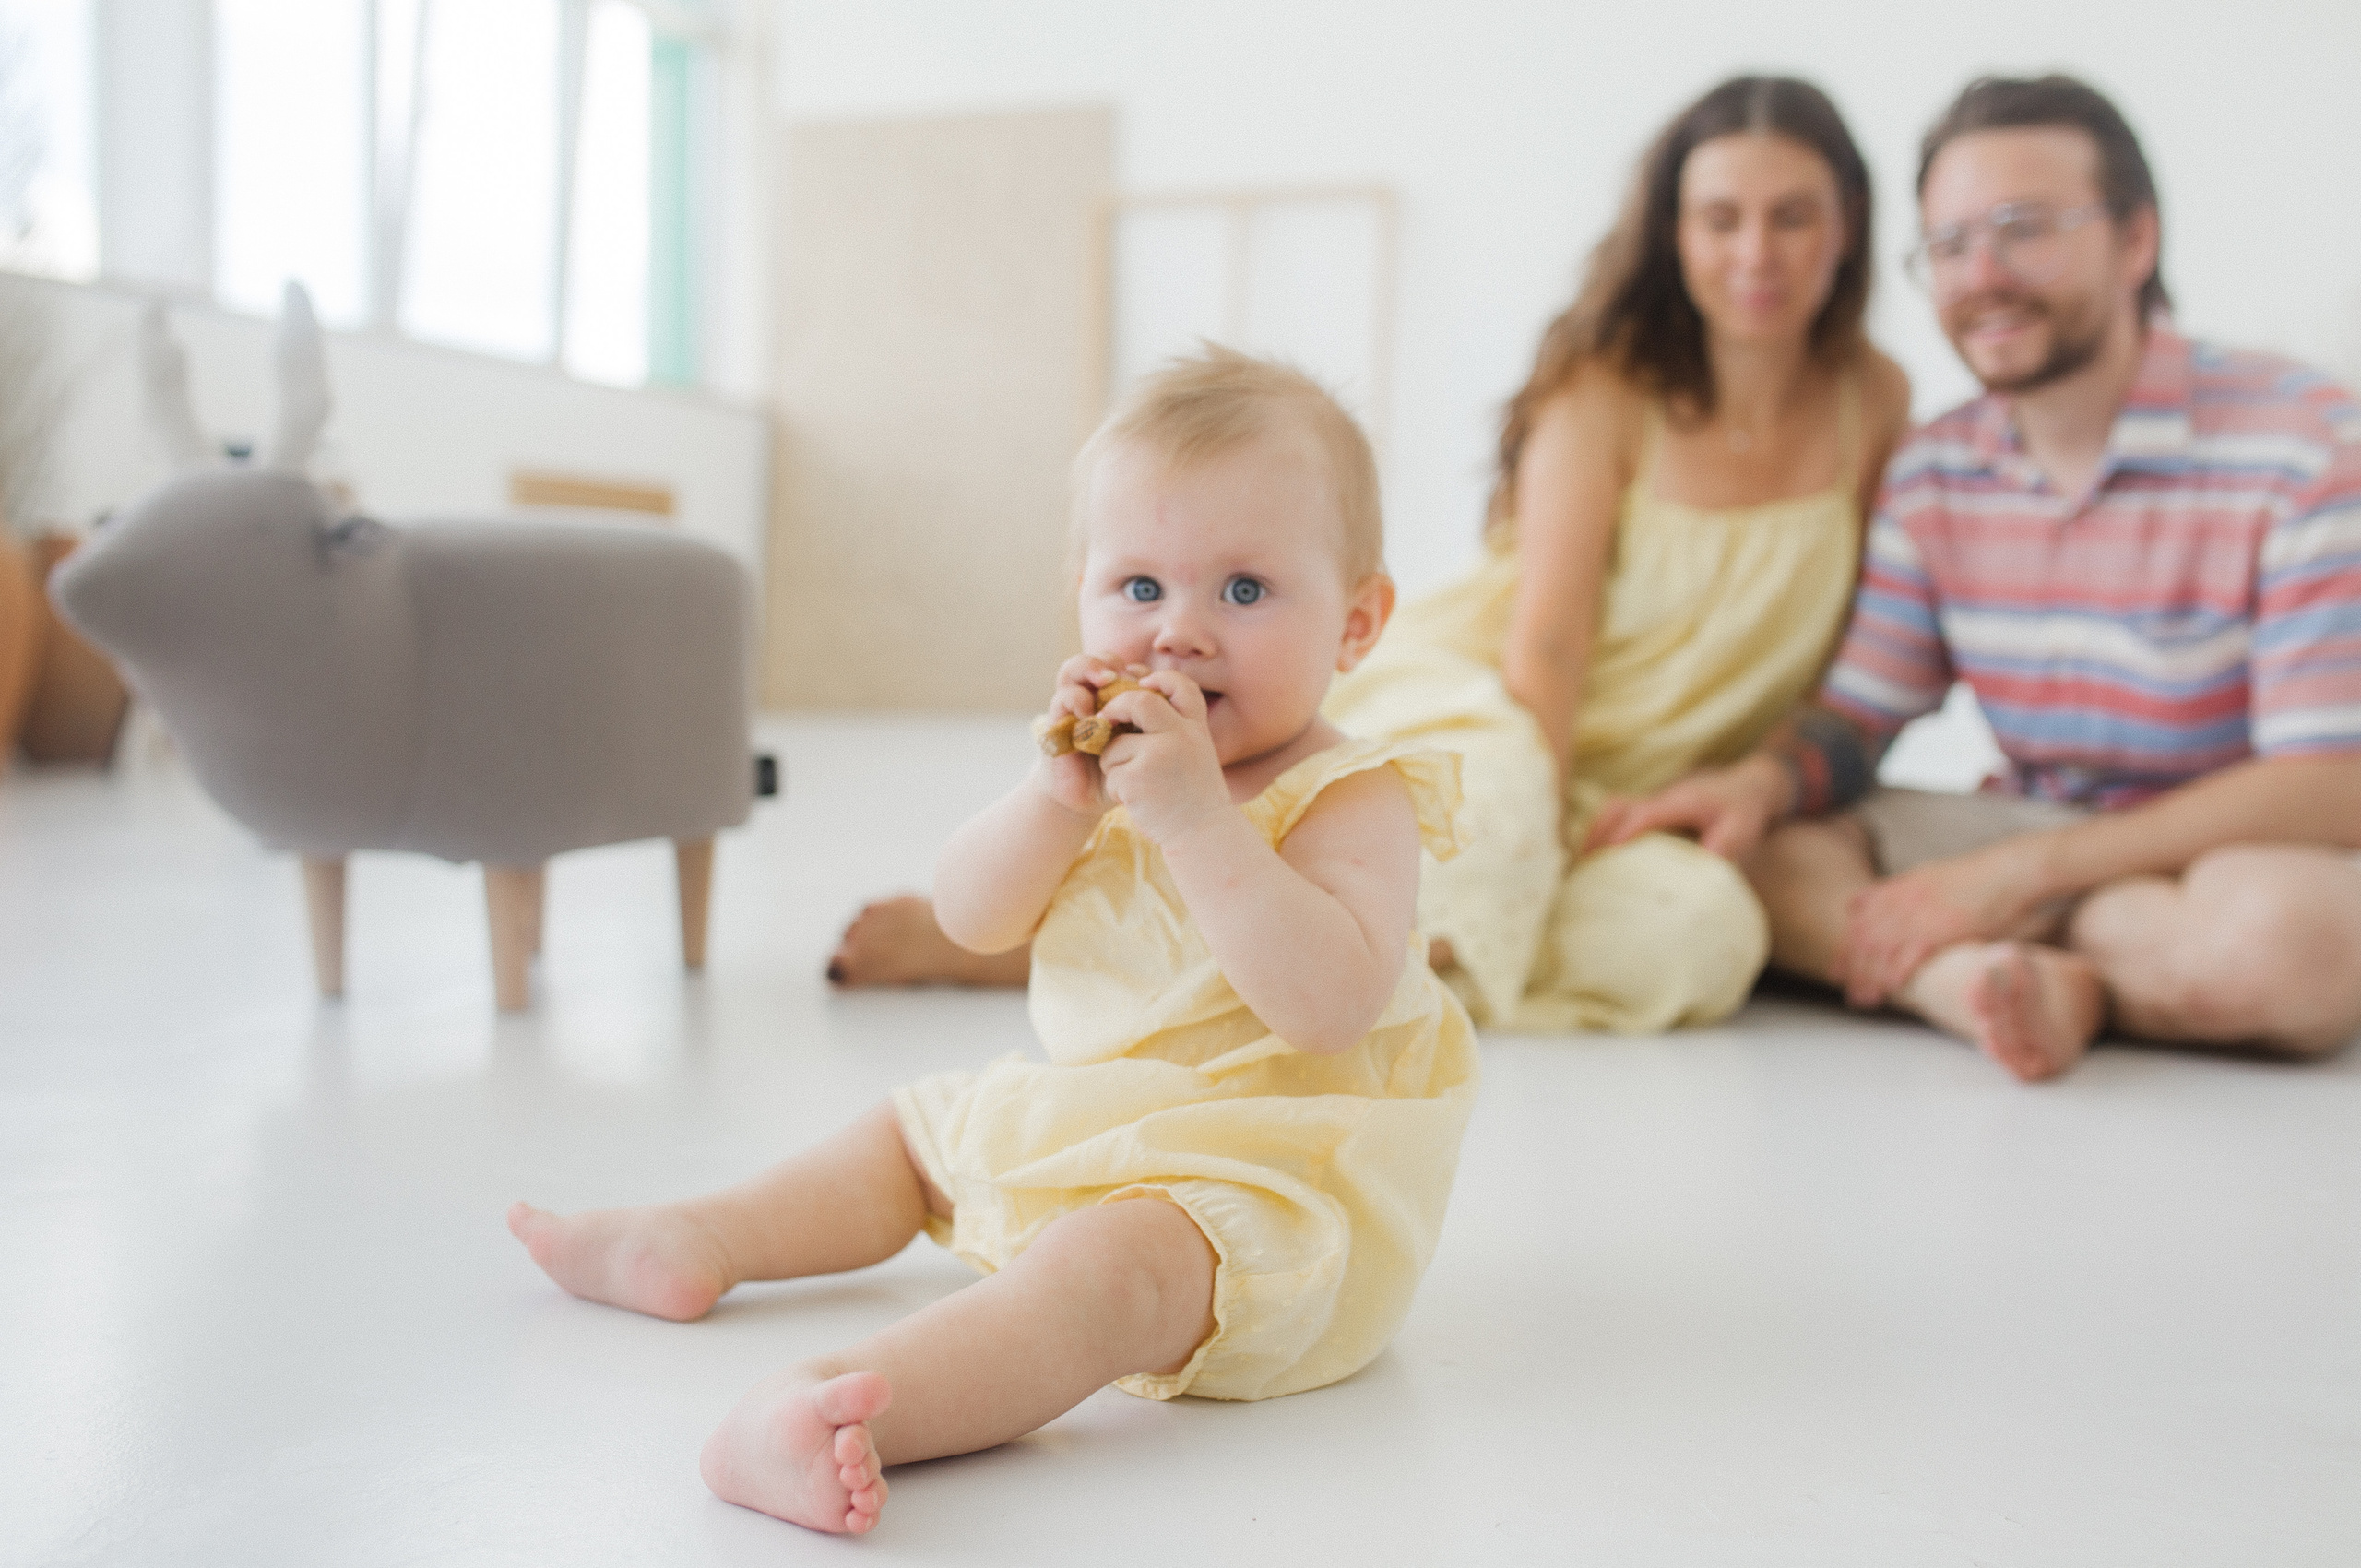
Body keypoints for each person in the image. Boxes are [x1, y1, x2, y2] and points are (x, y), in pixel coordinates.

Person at [509, 351, 1477, 1535]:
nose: (1178, 633)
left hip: (1265, 1189)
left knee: (1098, 1273)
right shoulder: (1096, 769)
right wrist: (1054, 802)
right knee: (913, 1130)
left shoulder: (1350, 795)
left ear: (1358, 622)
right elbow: (974, 915)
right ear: (1078, 594)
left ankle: (842, 1406)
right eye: (1136, 586)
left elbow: (1326, 1005)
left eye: (1243, 591)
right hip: (1105, 1124)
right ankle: (701, 1234)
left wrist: (1193, 820)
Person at [828, 75, 1912, 1033]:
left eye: (1792, 218)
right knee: (1482, 844)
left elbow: (1851, 639)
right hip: (1506, 708)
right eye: (1721, 218)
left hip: (1651, 780)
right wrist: (1538, 826)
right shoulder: (1612, 387)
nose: (1755, 253)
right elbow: (1549, 639)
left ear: (1848, 226)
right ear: (1675, 233)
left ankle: (1207, 952)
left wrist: (1748, 781)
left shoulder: (1874, 400)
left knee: (1702, 933)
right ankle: (1065, 936)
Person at [1597, 75, 2361, 1081]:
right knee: (1761, 854)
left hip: (2223, 853)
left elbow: (2332, 784)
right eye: (1949, 245)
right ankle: (1977, 982)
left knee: (2287, 944)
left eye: (2022, 228)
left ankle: (1995, 950)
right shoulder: (1934, 471)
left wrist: (2018, 877)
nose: (1982, 274)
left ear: (2136, 241)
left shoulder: (2305, 446)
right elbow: (1858, 718)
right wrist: (1759, 779)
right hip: (2033, 824)